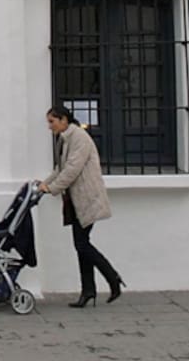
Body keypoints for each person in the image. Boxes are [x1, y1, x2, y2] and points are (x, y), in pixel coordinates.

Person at [38, 105, 126, 307]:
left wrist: (51, 189)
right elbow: (59, 169)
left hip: (86, 198)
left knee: (82, 245)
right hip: (75, 200)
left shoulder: (79, 138)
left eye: (52, 121)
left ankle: (112, 279)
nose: (49, 126)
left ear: (63, 120)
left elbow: (71, 170)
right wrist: (44, 183)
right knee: (81, 245)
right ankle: (88, 291)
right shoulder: (65, 138)